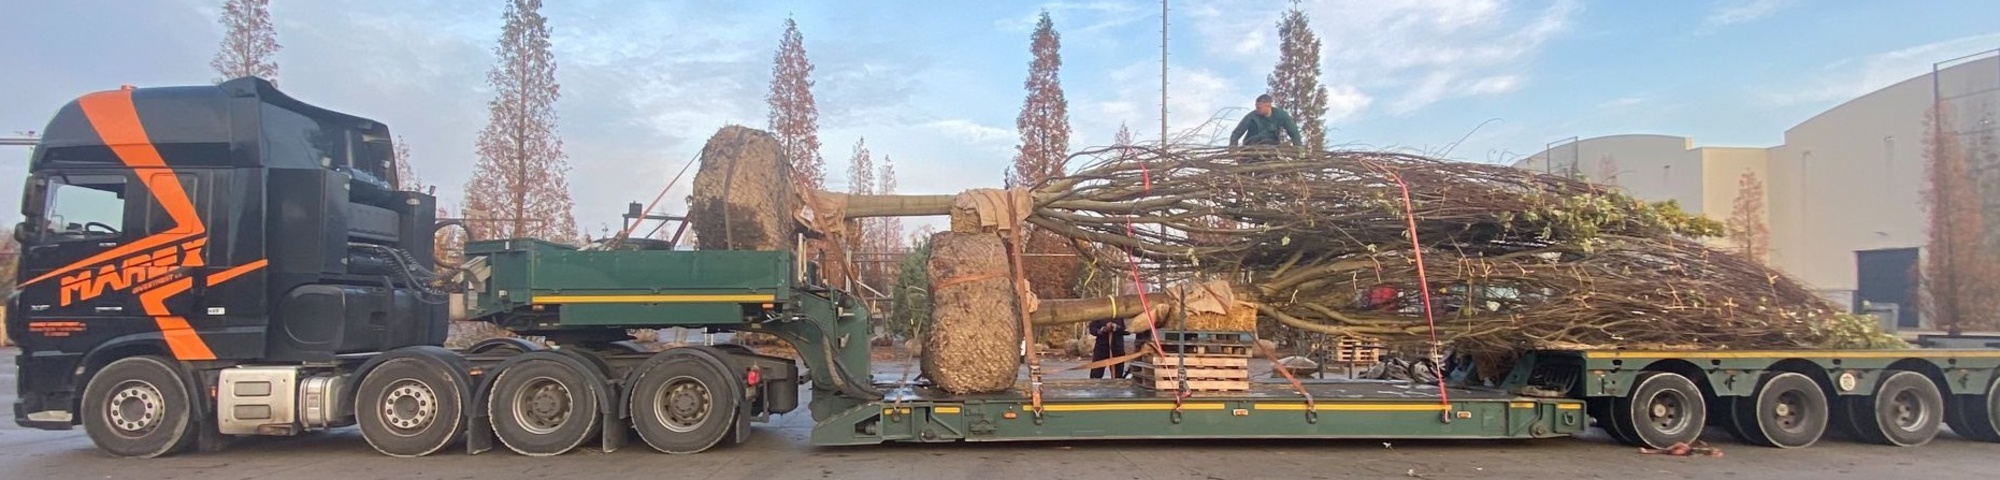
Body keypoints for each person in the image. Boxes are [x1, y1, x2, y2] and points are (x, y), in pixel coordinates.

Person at [1229, 94, 1303, 147]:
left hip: (1271, 149)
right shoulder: (1251, 117)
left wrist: (1300, 152)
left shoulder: (1281, 115)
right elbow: (1235, 134)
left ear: (1268, 106)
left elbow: (1294, 133)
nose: (1257, 109)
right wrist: (1233, 151)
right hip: (1251, 149)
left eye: (1259, 107)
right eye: (1256, 107)